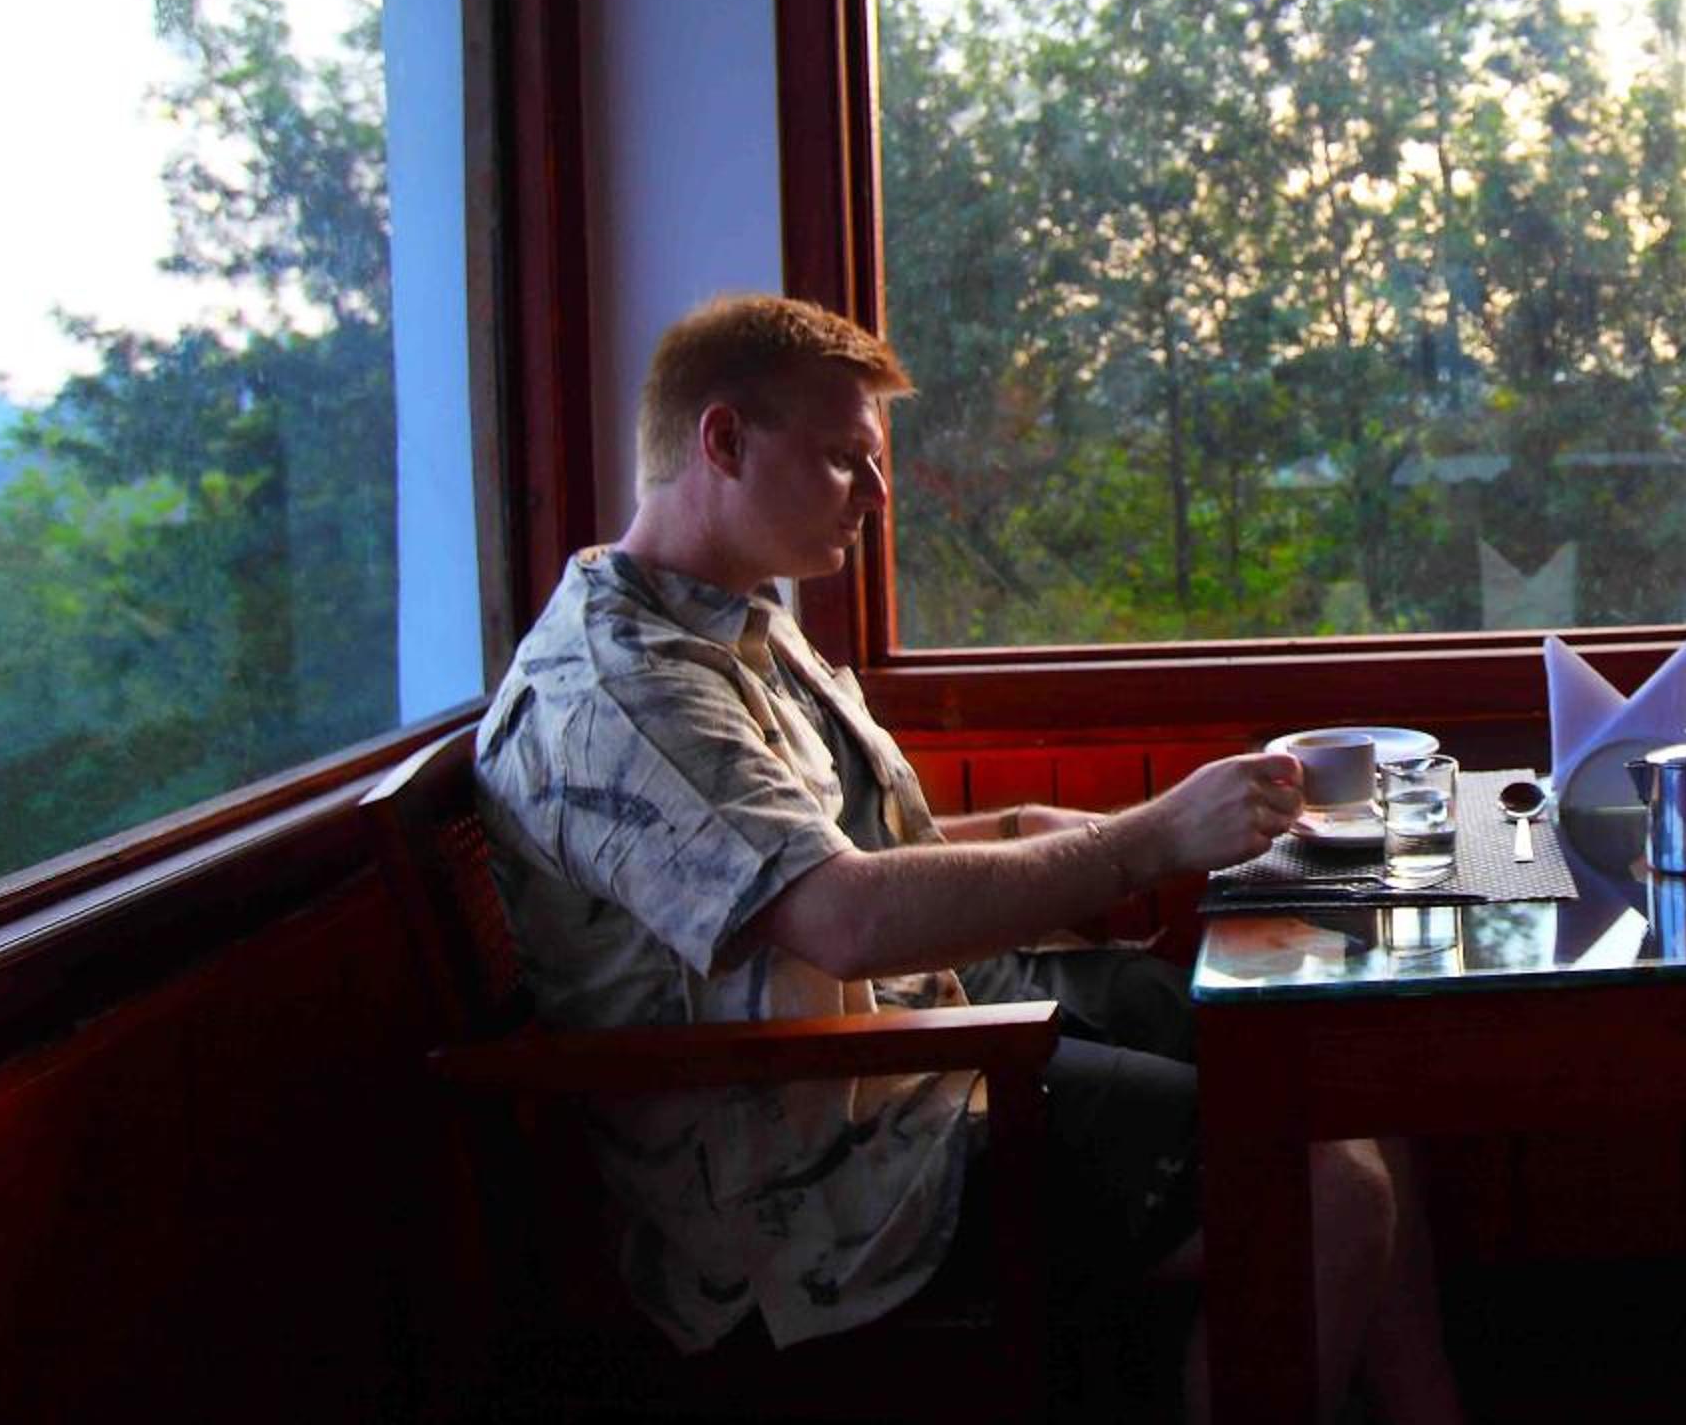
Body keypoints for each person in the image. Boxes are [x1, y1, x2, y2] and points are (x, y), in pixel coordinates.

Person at [472, 292, 1461, 1422]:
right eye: (844, 459)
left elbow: (809, 858)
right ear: (725, 440)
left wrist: (1026, 826)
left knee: (1329, 1057)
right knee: (1330, 1191)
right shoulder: (623, 686)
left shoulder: (731, 618)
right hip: (815, 1164)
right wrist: (1145, 839)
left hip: (915, 1028)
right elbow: (840, 916)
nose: (877, 494)